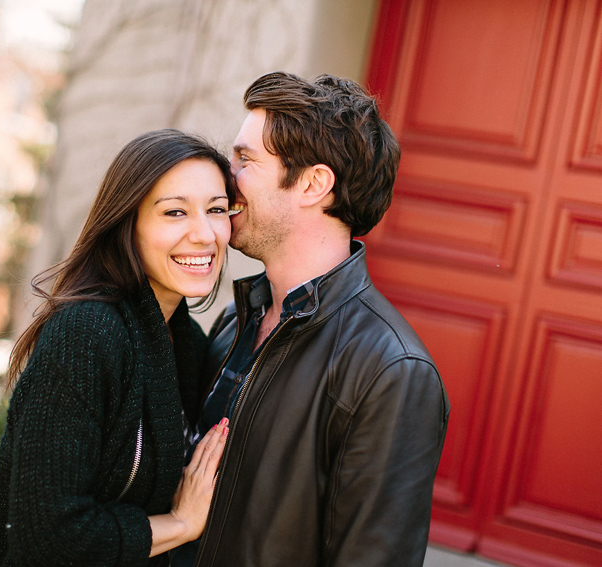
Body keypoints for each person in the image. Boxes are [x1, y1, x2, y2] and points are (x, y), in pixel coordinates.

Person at [183, 72, 450, 566]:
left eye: (245, 159)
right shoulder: (235, 319)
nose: (225, 176)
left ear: (312, 183)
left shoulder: (393, 372)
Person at [0, 129, 236, 567]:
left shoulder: (188, 344)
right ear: (127, 224)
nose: (205, 233)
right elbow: (48, 535)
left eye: (217, 210)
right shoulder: (86, 334)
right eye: (175, 212)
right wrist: (181, 525)